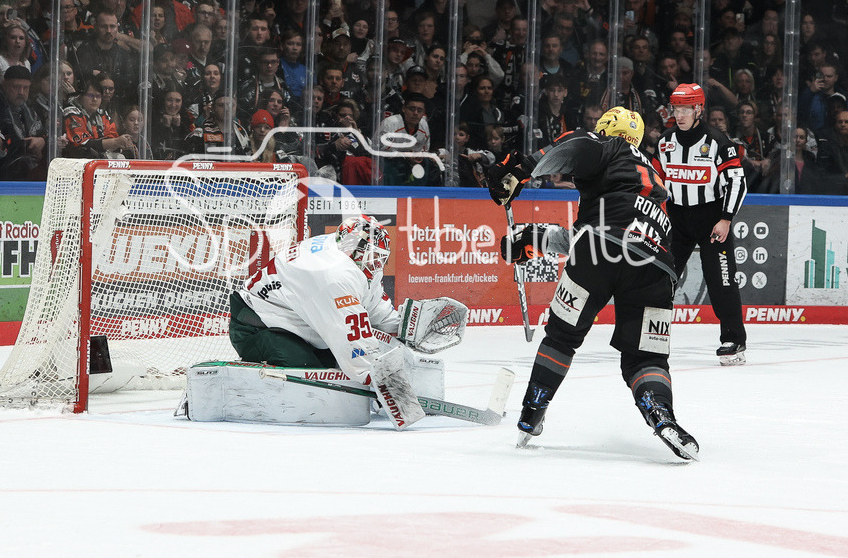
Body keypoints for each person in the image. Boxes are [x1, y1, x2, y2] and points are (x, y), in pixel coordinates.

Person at [486, 106, 698, 461]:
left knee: (562, 337)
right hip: (658, 265)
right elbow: (615, 234)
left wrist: (519, 169)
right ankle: (661, 415)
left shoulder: (606, 145)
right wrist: (533, 239)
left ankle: (532, 409)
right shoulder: (653, 179)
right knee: (645, 357)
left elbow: (575, 149)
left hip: (599, 249)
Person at [228, 214, 463, 429]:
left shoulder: (351, 253)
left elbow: (373, 306)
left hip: (299, 322)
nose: (377, 264)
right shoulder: (332, 274)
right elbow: (354, 344)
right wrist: (384, 384)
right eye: (372, 257)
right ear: (354, 250)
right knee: (312, 377)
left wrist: (402, 329)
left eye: (380, 258)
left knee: (340, 369)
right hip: (256, 325)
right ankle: (240, 385)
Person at [654, 83, 748, 365]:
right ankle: (651, 335)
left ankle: (734, 339)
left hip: (710, 220)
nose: (679, 115)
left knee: (722, 280)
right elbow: (654, 182)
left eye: (685, 109)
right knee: (660, 279)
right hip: (676, 220)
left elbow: (737, 182)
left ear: (698, 109)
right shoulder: (665, 141)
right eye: (676, 109)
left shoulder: (718, 141)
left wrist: (726, 219)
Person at [62, 78, 135, 159]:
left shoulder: (103, 114)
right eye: (90, 95)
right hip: (76, 160)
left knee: (122, 157)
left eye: (98, 96)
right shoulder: (71, 112)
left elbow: (112, 136)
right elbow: (82, 144)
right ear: (80, 96)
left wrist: (119, 143)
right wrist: (114, 142)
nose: (95, 99)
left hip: (100, 158)